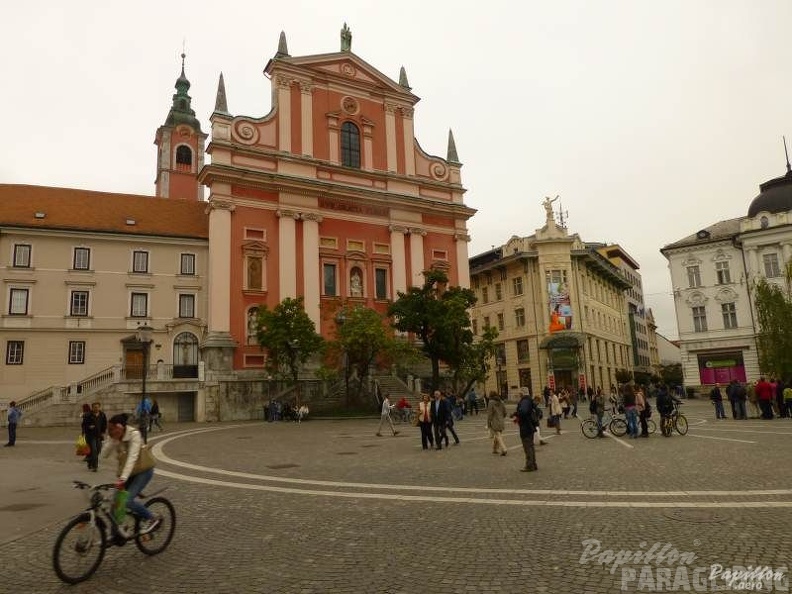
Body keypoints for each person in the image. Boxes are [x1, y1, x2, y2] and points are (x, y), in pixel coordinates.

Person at [101, 413, 160, 534]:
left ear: (120, 427)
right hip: (129, 473)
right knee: (116, 502)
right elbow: (103, 455)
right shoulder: (115, 437)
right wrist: (112, 441)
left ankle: (152, 518)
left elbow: (132, 458)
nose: (110, 432)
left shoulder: (134, 434)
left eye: (112, 429)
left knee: (127, 501)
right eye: (109, 430)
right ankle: (116, 535)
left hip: (143, 471)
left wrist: (123, 479)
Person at [514, 388, 538, 472]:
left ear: (522, 393)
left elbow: (523, 411)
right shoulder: (529, 400)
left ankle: (529, 465)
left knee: (527, 446)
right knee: (530, 446)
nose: (519, 395)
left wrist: (517, 413)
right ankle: (533, 464)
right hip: (529, 425)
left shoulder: (525, 401)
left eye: (519, 393)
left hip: (526, 426)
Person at [83, 402, 108, 471]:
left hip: (99, 435)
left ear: (99, 407)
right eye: (94, 407)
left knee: (98, 449)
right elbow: (84, 425)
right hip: (91, 435)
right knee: (94, 450)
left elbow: (104, 424)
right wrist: (89, 427)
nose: (96, 408)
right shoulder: (88, 415)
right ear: (92, 408)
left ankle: (90, 460)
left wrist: (103, 432)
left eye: (97, 407)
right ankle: (95, 466)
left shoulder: (102, 415)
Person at [486, 390, 507, 456]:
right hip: (501, 421)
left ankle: (504, 449)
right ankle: (495, 449)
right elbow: (505, 412)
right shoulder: (501, 402)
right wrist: (502, 417)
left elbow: (490, 414)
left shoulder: (491, 402)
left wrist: (488, 423)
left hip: (494, 421)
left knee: (498, 435)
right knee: (497, 435)